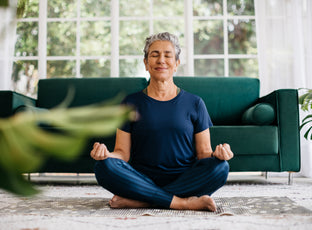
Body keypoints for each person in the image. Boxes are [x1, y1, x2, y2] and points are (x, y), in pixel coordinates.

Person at [90, 32, 234, 212]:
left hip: (185, 178)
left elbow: (204, 153)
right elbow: (122, 154)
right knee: (103, 167)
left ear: (176, 64)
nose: (161, 60)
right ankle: (182, 202)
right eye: (154, 55)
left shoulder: (195, 103)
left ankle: (145, 200)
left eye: (168, 55)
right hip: (140, 178)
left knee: (221, 168)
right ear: (146, 63)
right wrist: (106, 155)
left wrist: (218, 155)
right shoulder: (130, 103)